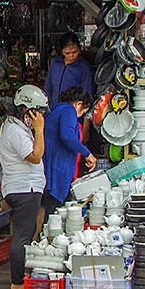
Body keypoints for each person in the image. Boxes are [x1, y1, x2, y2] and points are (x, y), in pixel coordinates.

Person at [0, 84, 49, 289]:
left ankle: (20, 277)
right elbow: (35, 157)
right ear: (27, 110)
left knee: (23, 234)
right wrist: (39, 130)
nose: (41, 117)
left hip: (22, 187)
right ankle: (17, 281)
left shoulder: (15, 127)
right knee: (23, 236)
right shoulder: (16, 131)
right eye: (38, 112)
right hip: (24, 189)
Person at [42, 86, 97, 214]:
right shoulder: (68, 110)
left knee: (52, 211)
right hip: (57, 168)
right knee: (55, 213)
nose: (81, 115)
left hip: (50, 166)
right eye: (83, 112)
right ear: (79, 104)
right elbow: (67, 136)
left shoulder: (55, 109)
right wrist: (87, 154)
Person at [44, 33, 95, 106]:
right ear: (61, 50)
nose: (71, 56)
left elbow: (88, 95)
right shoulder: (55, 63)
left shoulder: (85, 68)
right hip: (54, 109)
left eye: (75, 52)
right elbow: (48, 87)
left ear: (80, 48)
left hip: (72, 112)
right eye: (67, 53)